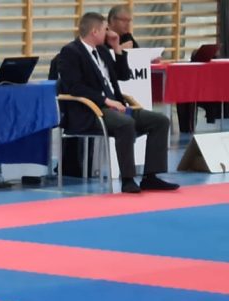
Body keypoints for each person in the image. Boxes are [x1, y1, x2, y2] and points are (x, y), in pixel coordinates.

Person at [57, 12, 179, 193]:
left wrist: (117, 48)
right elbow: (74, 87)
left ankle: (151, 177)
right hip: (90, 111)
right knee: (125, 123)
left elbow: (123, 75)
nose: (108, 33)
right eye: (105, 29)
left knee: (160, 121)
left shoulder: (102, 51)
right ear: (94, 31)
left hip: (115, 107)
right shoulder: (70, 52)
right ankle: (128, 179)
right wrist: (106, 101)